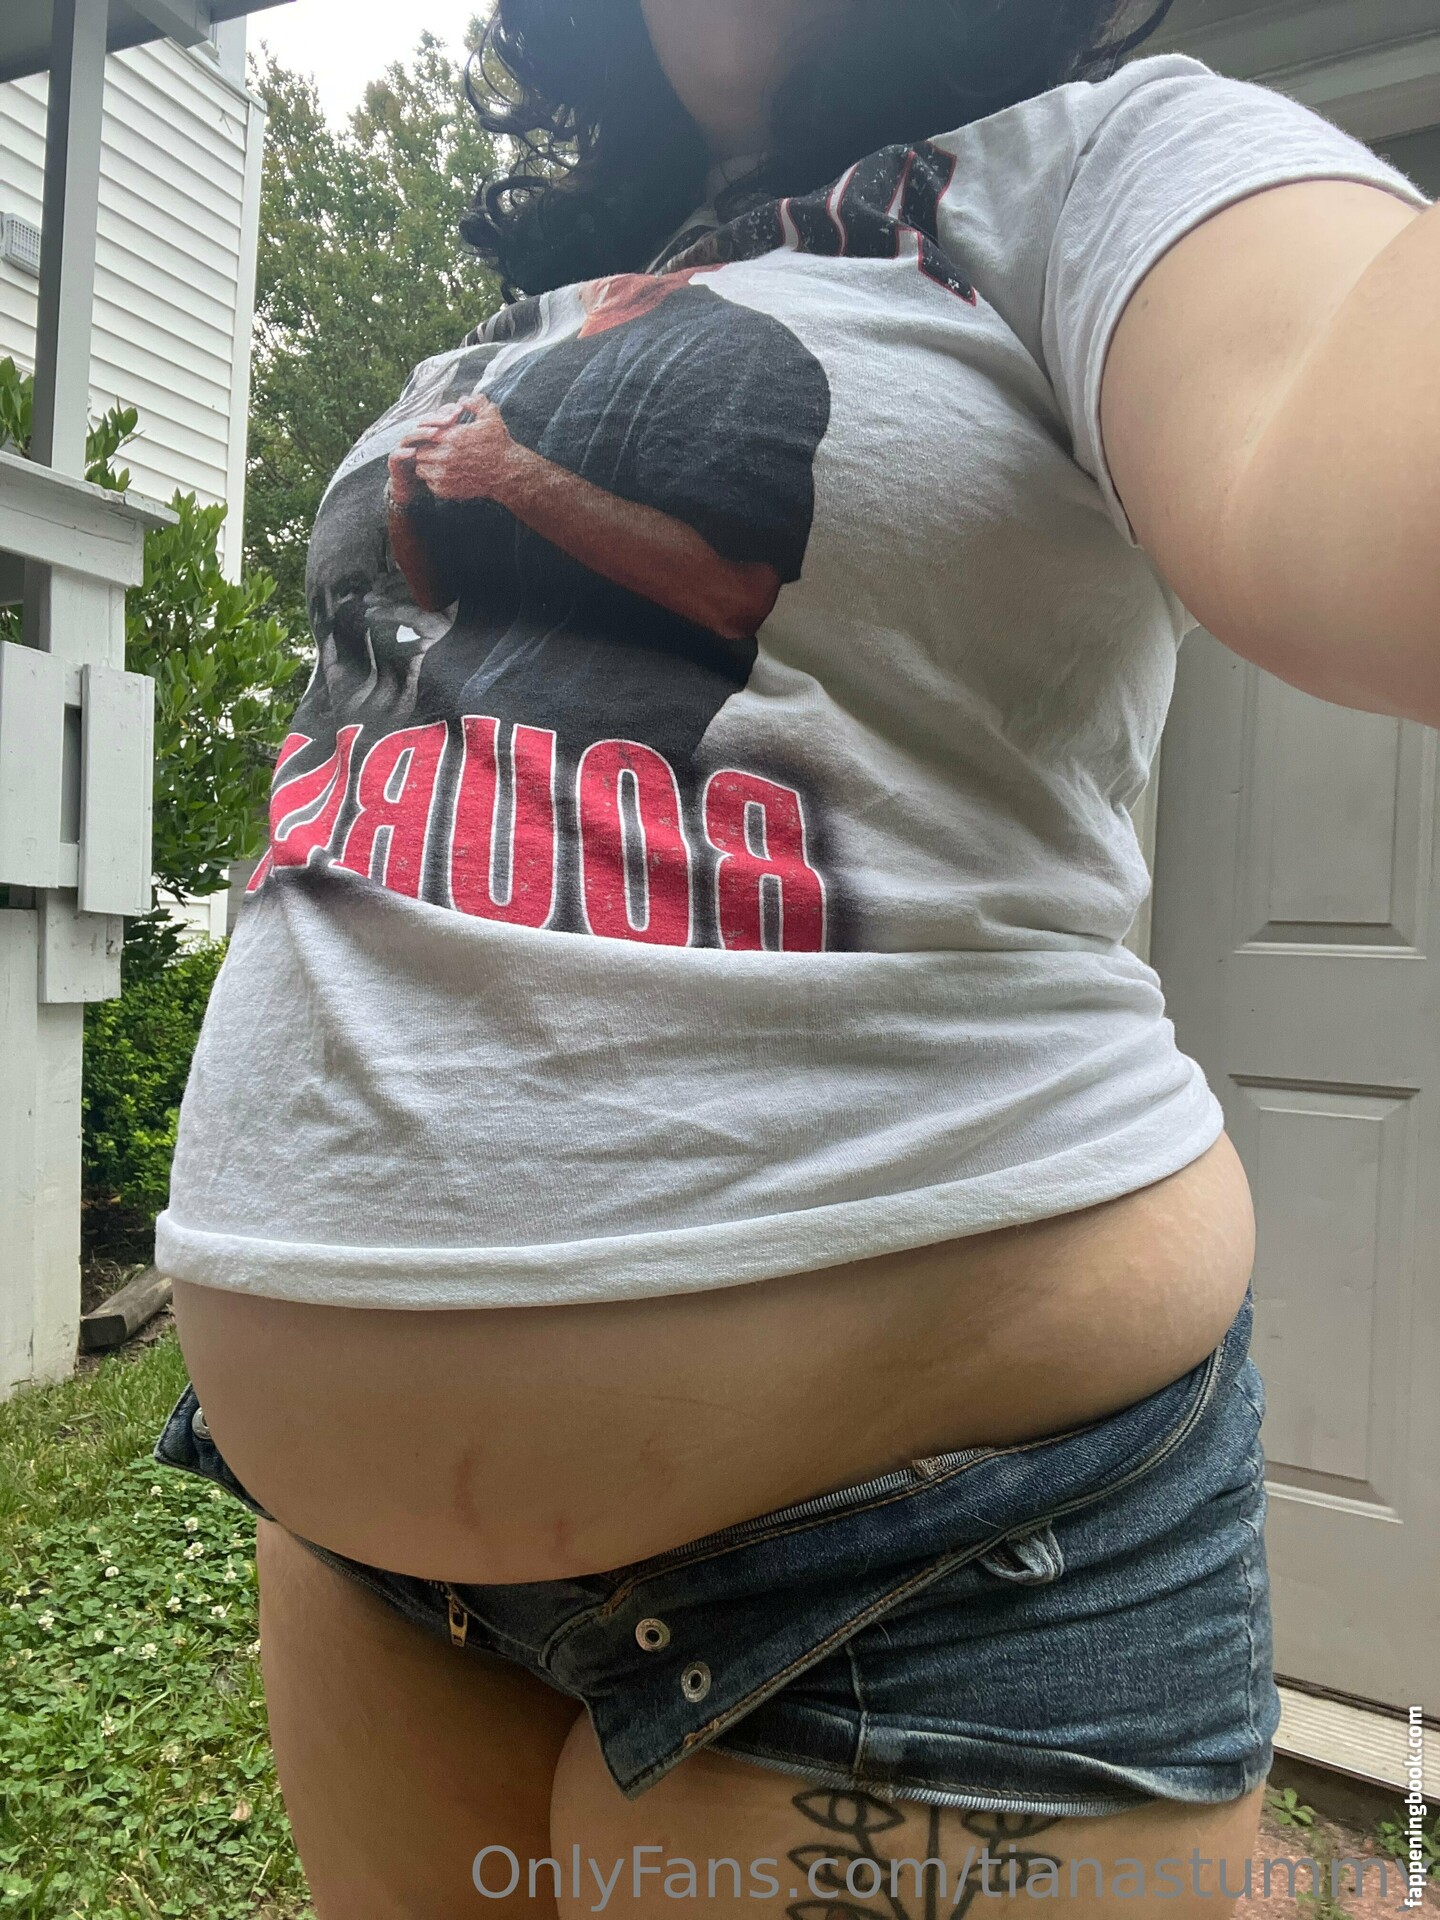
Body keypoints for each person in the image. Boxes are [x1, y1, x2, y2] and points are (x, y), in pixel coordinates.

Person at [150, 0, 1436, 1913]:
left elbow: (1357, 490)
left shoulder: (1101, 164)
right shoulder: (557, 297)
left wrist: (524, 485)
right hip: (369, 1565)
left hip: (931, 1552)